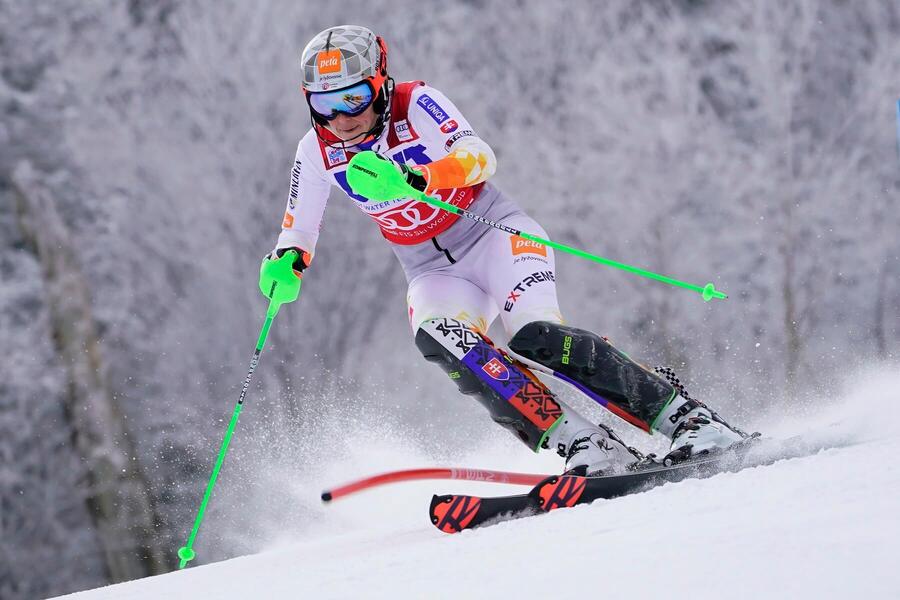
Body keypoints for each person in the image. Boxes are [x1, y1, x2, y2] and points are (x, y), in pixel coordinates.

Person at [260, 25, 746, 475]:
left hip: (495, 237)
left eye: (355, 97)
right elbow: (298, 228)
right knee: (442, 340)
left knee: (538, 337)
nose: (343, 118)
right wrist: (287, 264)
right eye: (326, 105)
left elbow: (479, 155)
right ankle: (584, 445)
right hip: (431, 270)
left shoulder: (416, 103)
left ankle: (687, 420)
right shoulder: (315, 150)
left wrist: (422, 177)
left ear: (381, 85)